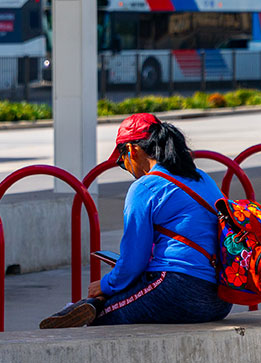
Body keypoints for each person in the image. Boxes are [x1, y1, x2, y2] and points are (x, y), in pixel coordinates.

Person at [39, 113, 231, 328]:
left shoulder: (145, 187)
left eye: (122, 161)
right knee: (125, 294)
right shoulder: (202, 177)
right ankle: (91, 303)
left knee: (101, 319)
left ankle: (90, 302)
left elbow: (133, 262)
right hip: (222, 298)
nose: (127, 168)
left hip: (180, 290)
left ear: (132, 150)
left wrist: (104, 284)